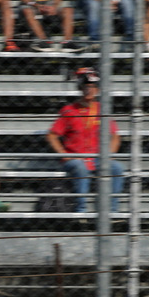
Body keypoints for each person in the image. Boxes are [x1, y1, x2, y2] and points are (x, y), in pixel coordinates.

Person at [45, 68, 123, 213]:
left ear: (98, 90)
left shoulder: (102, 109)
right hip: (75, 157)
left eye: (93, 87)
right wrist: (64, 154)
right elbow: (51, 135)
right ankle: (81, 210)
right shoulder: (69, 110)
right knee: (80, 167)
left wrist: (109, 155)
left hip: (97, 158)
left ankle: (112, 211)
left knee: (116, 168)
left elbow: (115, 136)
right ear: (80, 88)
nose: (89, 90)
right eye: (86, 87)